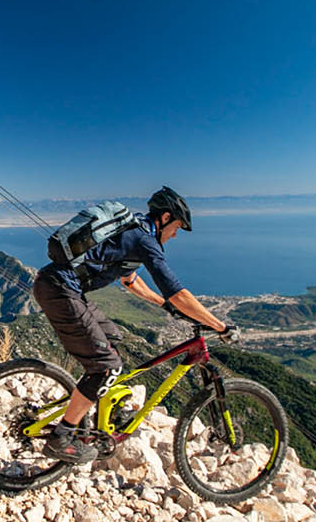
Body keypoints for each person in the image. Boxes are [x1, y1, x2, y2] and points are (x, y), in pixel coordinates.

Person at [32, 186, 236, 463]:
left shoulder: (133, 231)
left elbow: (130, 280)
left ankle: (102, 407)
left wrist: (163, 306)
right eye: (176, 227)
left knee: (113, 337)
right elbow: (178, 293)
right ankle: (61, 437)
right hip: (60, 290)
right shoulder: (144, 239)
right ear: (165, 218)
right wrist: (220, 326)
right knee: (106, 367)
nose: (176, 234)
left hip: (61, 288)